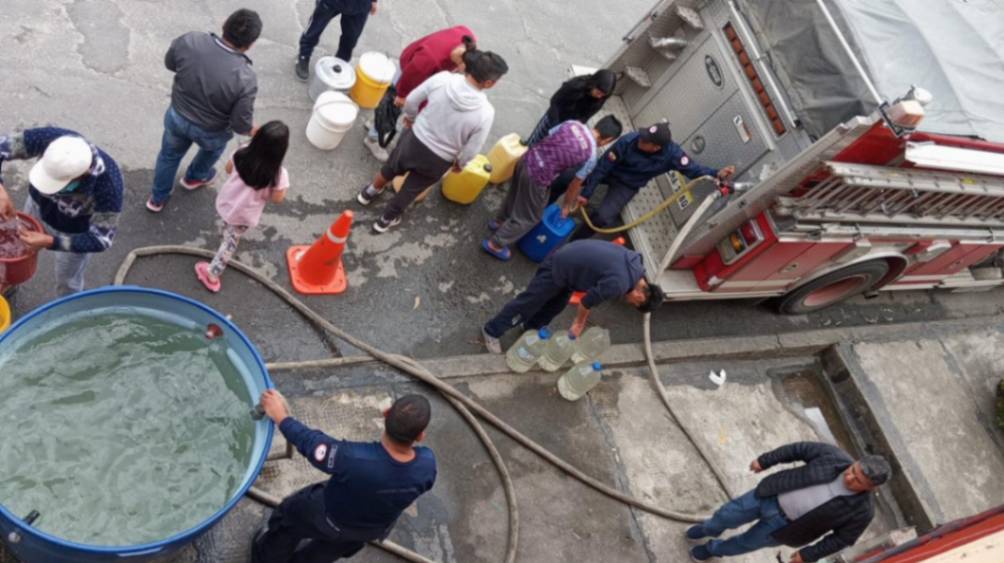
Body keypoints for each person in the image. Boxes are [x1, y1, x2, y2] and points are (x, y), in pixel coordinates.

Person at [252, 390, 437, 563]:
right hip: (368, 530)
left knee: (288, 518)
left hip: (327, 517)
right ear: (421, 436)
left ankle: (266, 557)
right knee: (326, 552)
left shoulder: (353, 458)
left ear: (386, 413)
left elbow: (312, 444)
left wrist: (280, 416)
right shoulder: (428, 465)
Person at [357, 50, 508, 234]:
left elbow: (412, 100)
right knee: (411, 190)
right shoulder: (486, 112)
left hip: (414, 139)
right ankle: (384, 220)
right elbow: (473, 148)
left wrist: (411, 118)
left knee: (391, 168)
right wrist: (460, 163)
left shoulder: (444, 79)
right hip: (439, 160)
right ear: (489, 83)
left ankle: (368, 193)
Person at [687, 442, 892, 562]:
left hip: (784, 529)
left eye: (857, 481)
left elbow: (841, 539)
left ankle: (712, 550)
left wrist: (808, 555)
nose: (849, 478)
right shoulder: (834, 456)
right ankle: (708, 528)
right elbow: (798, 449)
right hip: (769, 495)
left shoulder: (863, 512)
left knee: (744, 544)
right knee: (726, 515)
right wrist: (765, 460)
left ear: (872, 488)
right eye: (852, 471)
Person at [147, 8, 262, 213]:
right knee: (211, 151)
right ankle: (194, 177)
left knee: (168, 156)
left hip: (178, 116)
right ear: (251, 44)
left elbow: (170, 63)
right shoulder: (246, 78)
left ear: (224, 23)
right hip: (212, 130)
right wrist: (254, 130)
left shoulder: (190, 41)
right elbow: (239, 124)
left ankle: (157, 199)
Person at [557, 121, 736, 241]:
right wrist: (586, 193)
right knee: (568, 177)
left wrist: (717, 173)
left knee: (602, 218)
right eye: (643, 135)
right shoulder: (629, 140)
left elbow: (694, 170)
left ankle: (573, 242)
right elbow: (603, 166)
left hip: (627, 185)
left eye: (645, 140)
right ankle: (549, 201)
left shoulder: (673, 155)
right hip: (612, 170)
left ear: (657, 147)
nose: (640, 139)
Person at [481, 239, 663, 353]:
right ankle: (491, 331)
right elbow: (586, 302)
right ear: (640, 297)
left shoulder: (637, 265)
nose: (629, 301)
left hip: (573, 271)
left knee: (555, 307)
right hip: (559, 267)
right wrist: (579, 324)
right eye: (634, 303)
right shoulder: (619, 284)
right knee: (528, 303)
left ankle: (529, 328)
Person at [0, 128, 123, 296]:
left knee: (68, 281)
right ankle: (11, 280)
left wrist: (51, 242)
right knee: (16, 247)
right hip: (36, 206)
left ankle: (66, 307)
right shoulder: (51, 139)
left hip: (73, 231)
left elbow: (101, 239)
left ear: (81, 176)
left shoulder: (108, 188)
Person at [482, 116, 623, 261]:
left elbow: (550, 137)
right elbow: (574, 184)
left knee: (514, 195)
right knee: (530, 217)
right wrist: (567, 205)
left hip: (526, 159)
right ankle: (496, 244)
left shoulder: (572, 123)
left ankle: (498, 222)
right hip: (538, 177)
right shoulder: (591, 156)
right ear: (608, 140)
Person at [195, 121, 290, 293]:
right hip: (244, 214)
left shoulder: (242, 152)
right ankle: (213, 274)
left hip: (227, 202)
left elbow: (229, 169)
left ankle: (225, 231)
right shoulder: (278, 174)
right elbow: (277, 198)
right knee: (229, 243)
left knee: (227, 224)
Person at [363, 27, 478, 162]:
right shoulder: (431, 59)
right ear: (461, 59)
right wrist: (401, 95)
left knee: (389, 104)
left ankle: (375, 122)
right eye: (459, 68)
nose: (458, 71)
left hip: (417, 61)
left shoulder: (469, 39)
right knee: (392, 107)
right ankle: (373, 138)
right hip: (409, 70)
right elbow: (412, 80)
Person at [526, 69, 617, 146]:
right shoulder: (576, 85)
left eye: (603, 95)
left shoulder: (601, 98)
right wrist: (555, 126)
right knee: (535, 141)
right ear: (594, 84)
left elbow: (585, 117)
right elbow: (555, 102)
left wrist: (569, 129)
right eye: (598, 92)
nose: (599, 96)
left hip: (567, 127)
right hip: (554, 117)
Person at [295, 0, 378, 80]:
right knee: (315, 27)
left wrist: (374, 1)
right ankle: (304, 55)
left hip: (360, 5)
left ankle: (340, 63)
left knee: (351, 37)